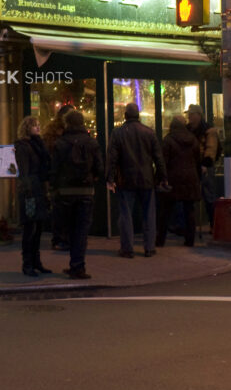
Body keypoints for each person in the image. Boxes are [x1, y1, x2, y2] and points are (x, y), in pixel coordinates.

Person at [106, 103, 168, 258]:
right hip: (147, 179)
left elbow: (112, 158)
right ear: (138, 115)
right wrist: (162, 177)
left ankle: (127, 248)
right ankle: (149, 247)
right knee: (149, 213)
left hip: (126, 180)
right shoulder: (149, 132)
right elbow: (158, 158)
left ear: (125, 115)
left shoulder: (118, 133)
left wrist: (110, 178)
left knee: (126, 214)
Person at [51, 110, 102, 279]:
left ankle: (75, 265)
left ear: (67, 123)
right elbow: (99, 168)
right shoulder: (91, 143)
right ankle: (78, 266)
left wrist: (55, 186)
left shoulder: (60, 143)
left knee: (69, 229)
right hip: (86, 191)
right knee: (81, 231)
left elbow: (54, 169)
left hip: (65, 192)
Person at [14, 116, 52, 277]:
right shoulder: (23, 146)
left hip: (39, 189)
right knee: (30, 228)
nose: (37, 128)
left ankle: (36, 262)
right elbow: (23, 170)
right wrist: (28, 191)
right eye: (34, 125)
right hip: (30, 191)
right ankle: (27, 263)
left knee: (38, 228)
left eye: (38, 125)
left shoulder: (38, 145)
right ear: (26, 128)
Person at [159, 114, 201, 247]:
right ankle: (190, 240)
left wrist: (161, 178)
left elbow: (163, 161)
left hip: (173, 179)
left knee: (165, 211)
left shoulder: (168, 140)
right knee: (189, 210)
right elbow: (197, 160)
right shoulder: (193, 139)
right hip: (190, 178)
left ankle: (160, 240)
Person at [42, 103, 74, 252]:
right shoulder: (63, 135)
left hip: (57, 177)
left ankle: (60, 239)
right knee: (61, 209)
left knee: (59, 209)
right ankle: (61, 238)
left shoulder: (51, 133)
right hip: (61, 177)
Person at [185, 105, 220, 229]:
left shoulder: (209, 130)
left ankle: (213, 224)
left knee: (209, 196)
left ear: (199, 116)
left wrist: (205, 164)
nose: (189, 117)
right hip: (191, 166)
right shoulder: (187, 130)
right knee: (189, 197)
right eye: (189, 115)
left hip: (205, 167)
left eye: (192, 114)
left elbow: (211, 148)